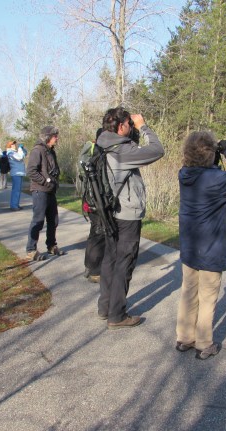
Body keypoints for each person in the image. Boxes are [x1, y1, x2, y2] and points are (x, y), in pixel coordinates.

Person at [176, 133, 226, 359]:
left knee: (189, 292)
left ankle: (184, 338)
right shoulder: (218, 180)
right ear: (211, 154)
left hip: (190, 246)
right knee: (208, 296)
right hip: (211, 248)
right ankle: (203, 343)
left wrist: (214, 160)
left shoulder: (185, 174)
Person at [96, 107, 164, 329]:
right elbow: (157, 150)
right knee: (125, 261)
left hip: (108, 211)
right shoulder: (122, 151)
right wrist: (143, 126)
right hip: (126, 213)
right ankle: (117, 315)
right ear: (120, 126)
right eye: (129, 123)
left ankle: (105, 307)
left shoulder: (101, 144)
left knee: (111, 259)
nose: (131, 126)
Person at [26, 126, 64, 261]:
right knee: (38, 220)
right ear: (47, 137)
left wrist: (54, 183)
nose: (57, 138)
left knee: (53, 220)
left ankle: (51, 245)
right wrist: (45, 181)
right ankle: (31, 249)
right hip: (40, 190)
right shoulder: (38, 150)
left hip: (50, 191)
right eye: (55, 136)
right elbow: (31, 171)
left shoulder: (50, 151)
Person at [80, 128, 105, 284]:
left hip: (89, 200)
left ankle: (89, 266)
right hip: (97, 201)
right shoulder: (99, 154)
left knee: (94, 234)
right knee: (99, 234)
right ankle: (95, 271)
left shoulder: (91, 153)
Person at [7, 140, 26, 211]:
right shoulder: (10, 153)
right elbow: (19, 157)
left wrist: (23, 149)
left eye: (15, 144)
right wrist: (20, 149)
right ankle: (14, 205)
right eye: (13, 144)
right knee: (16, 190)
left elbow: (24, 154)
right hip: (16, 173)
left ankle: (16, 204)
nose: (15, 145)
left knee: (18, 190)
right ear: (10, 146)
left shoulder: (15, 152)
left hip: (19, 172)